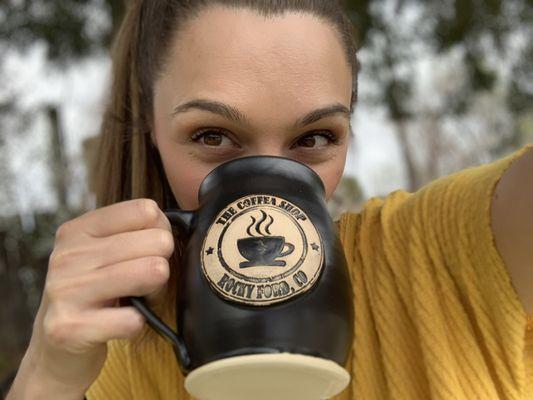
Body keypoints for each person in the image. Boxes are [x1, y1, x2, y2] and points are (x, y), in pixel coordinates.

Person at [6, 1, 533, 399]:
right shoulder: (112, 353)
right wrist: (46, 375)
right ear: (151, 125)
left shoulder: (446, 256)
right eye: (212, 136)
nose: (266, 184)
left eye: (316, 138)